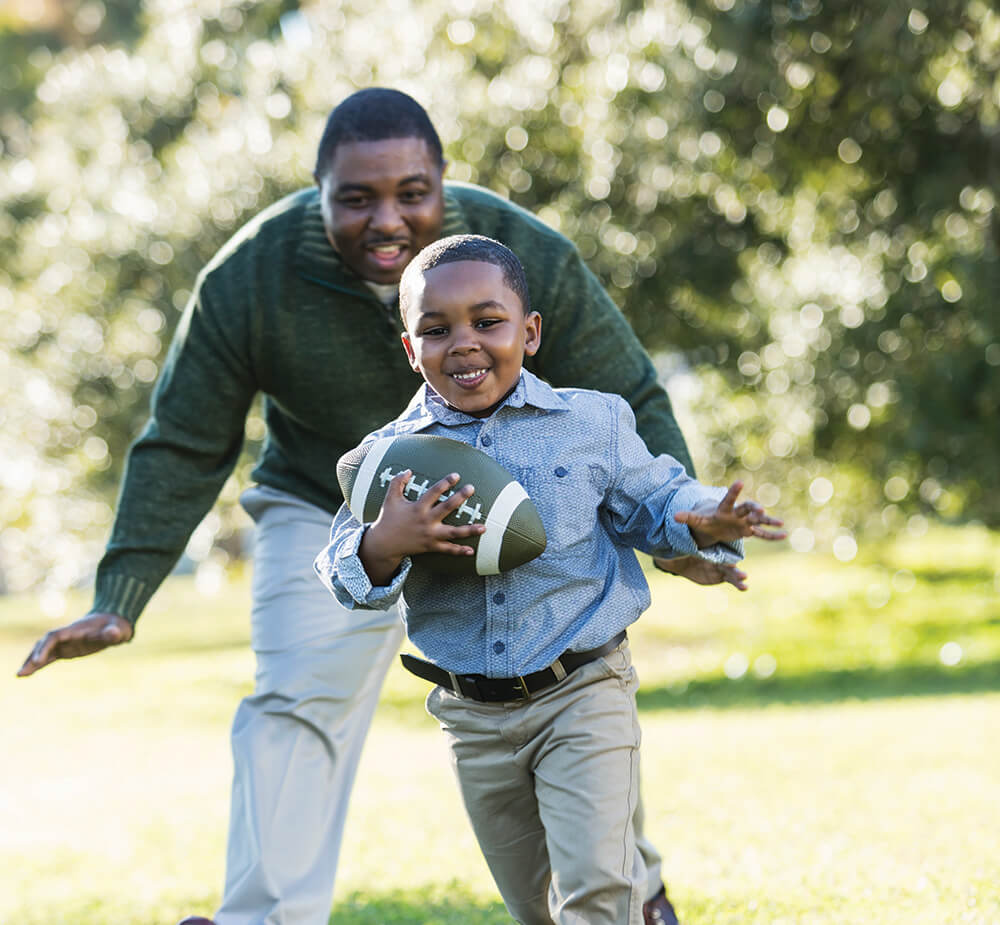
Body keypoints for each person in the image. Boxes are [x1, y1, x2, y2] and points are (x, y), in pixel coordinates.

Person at [17, 88, 747, 925]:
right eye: (356, 199)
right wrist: (122, 594)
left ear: (445, 185)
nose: (387, 220)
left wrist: (685, 531)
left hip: (521, 478)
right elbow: (184, 438)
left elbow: (629, 394)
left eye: (412, 193)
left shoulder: (517, 254)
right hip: (329, 495)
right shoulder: (252, 274)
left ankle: (632, 888)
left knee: (570, 675)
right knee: (296, 697)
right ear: (316, 194)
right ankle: (263, 918)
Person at [314, 234, 785, 924]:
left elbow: (656, 500)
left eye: (488, 320)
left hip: (584, 689)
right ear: (412, 349)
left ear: (529, 332)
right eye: (437, 329)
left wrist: (705, 520)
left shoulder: (592, 422)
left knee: (598, 888)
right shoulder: (390, 461)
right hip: (471, 715)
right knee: (535, 907)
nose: (464, 342)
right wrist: (387, 541)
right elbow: (341, 572)